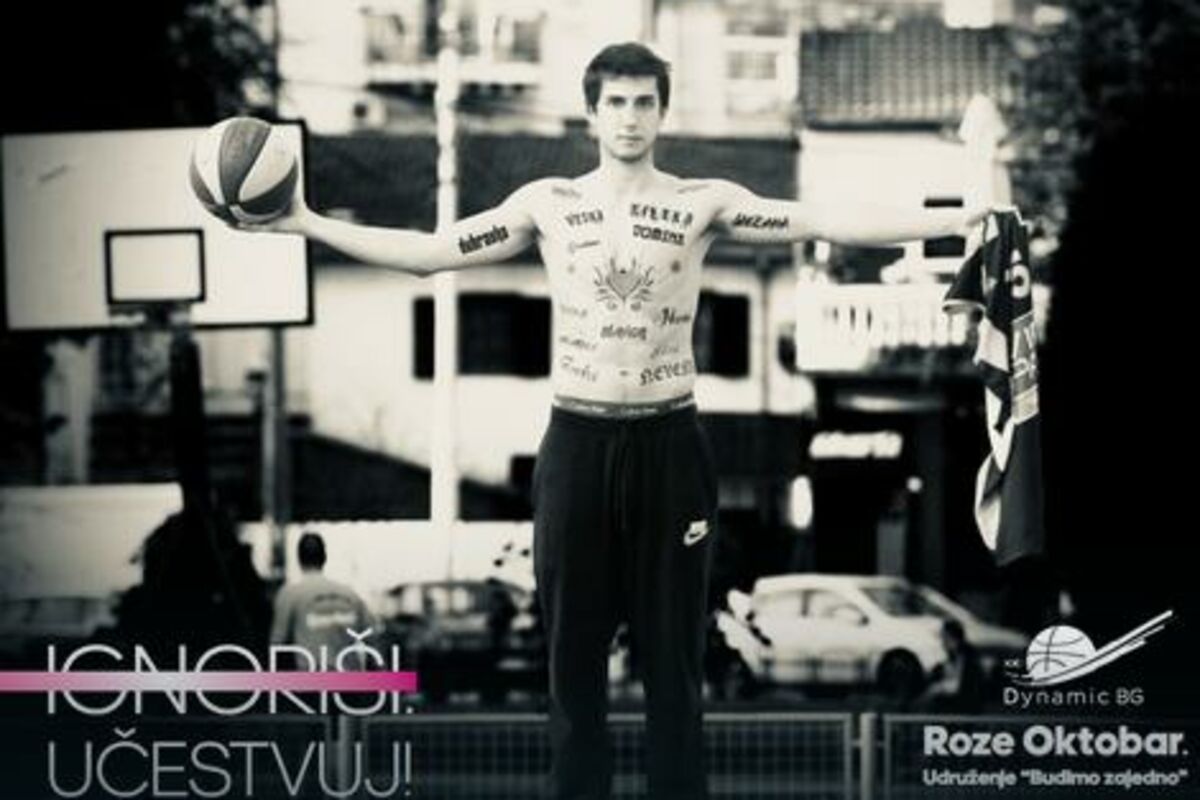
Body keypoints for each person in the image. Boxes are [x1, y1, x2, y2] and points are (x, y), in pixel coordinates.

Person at [240, 41, 990, 800]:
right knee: (573, 667)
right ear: (592, 114)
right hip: (578, 442)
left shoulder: (703, 202)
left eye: (644, 102)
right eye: (616, 103)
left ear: (662, 113)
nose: (630, 117)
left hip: (670, 444)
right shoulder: (547, 203)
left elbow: (821, 217)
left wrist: (958, 220)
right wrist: (302, 220)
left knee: (673, 666)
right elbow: (430, 253)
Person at [270, 531, 372, 670]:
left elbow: (277, 645)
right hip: (349, 677)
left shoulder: (290, 594)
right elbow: (372, 638)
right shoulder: (350, 594)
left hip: (312, 678)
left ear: (299, 558)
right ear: (324, 557)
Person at [920, 619, 985, 713]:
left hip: (964, 706)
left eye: (946, 639)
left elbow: (957, 687)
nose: (943, 643)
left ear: (955, 639)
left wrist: (938, 688)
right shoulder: (952, 657)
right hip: (953, 702)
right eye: (943, 639)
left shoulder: (968, 659)